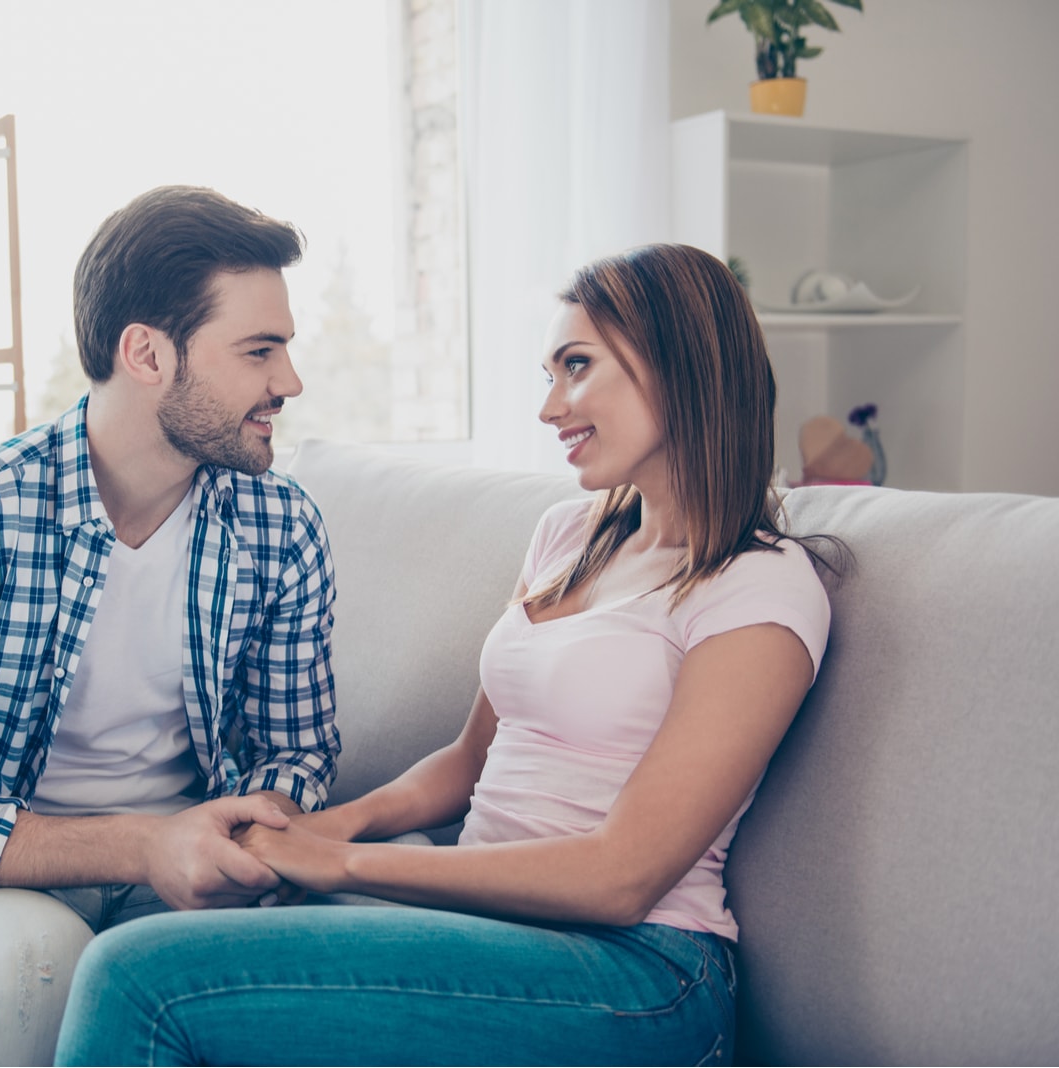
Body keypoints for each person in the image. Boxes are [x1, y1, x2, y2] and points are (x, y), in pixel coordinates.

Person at [53, 242, 843, 1067]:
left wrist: (341, 862)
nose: (551, 407)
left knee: (138, 977)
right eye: (548, 373)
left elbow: (622, 876)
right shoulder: (570, 537)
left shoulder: (758, 588)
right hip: (486, 932)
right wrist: (324, 824)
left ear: (683, 364)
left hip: (642, 973)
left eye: (577, 366)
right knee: (162, 920)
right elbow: (469, 761)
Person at [0, 185, 341, 1066]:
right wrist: (142, 843)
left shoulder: (282, 525)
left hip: (191, 869)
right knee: (35, 963)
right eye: (260, 351)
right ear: (147, 354)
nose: (288, 383)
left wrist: (249, 828)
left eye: (286, 350)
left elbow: (296, 750)